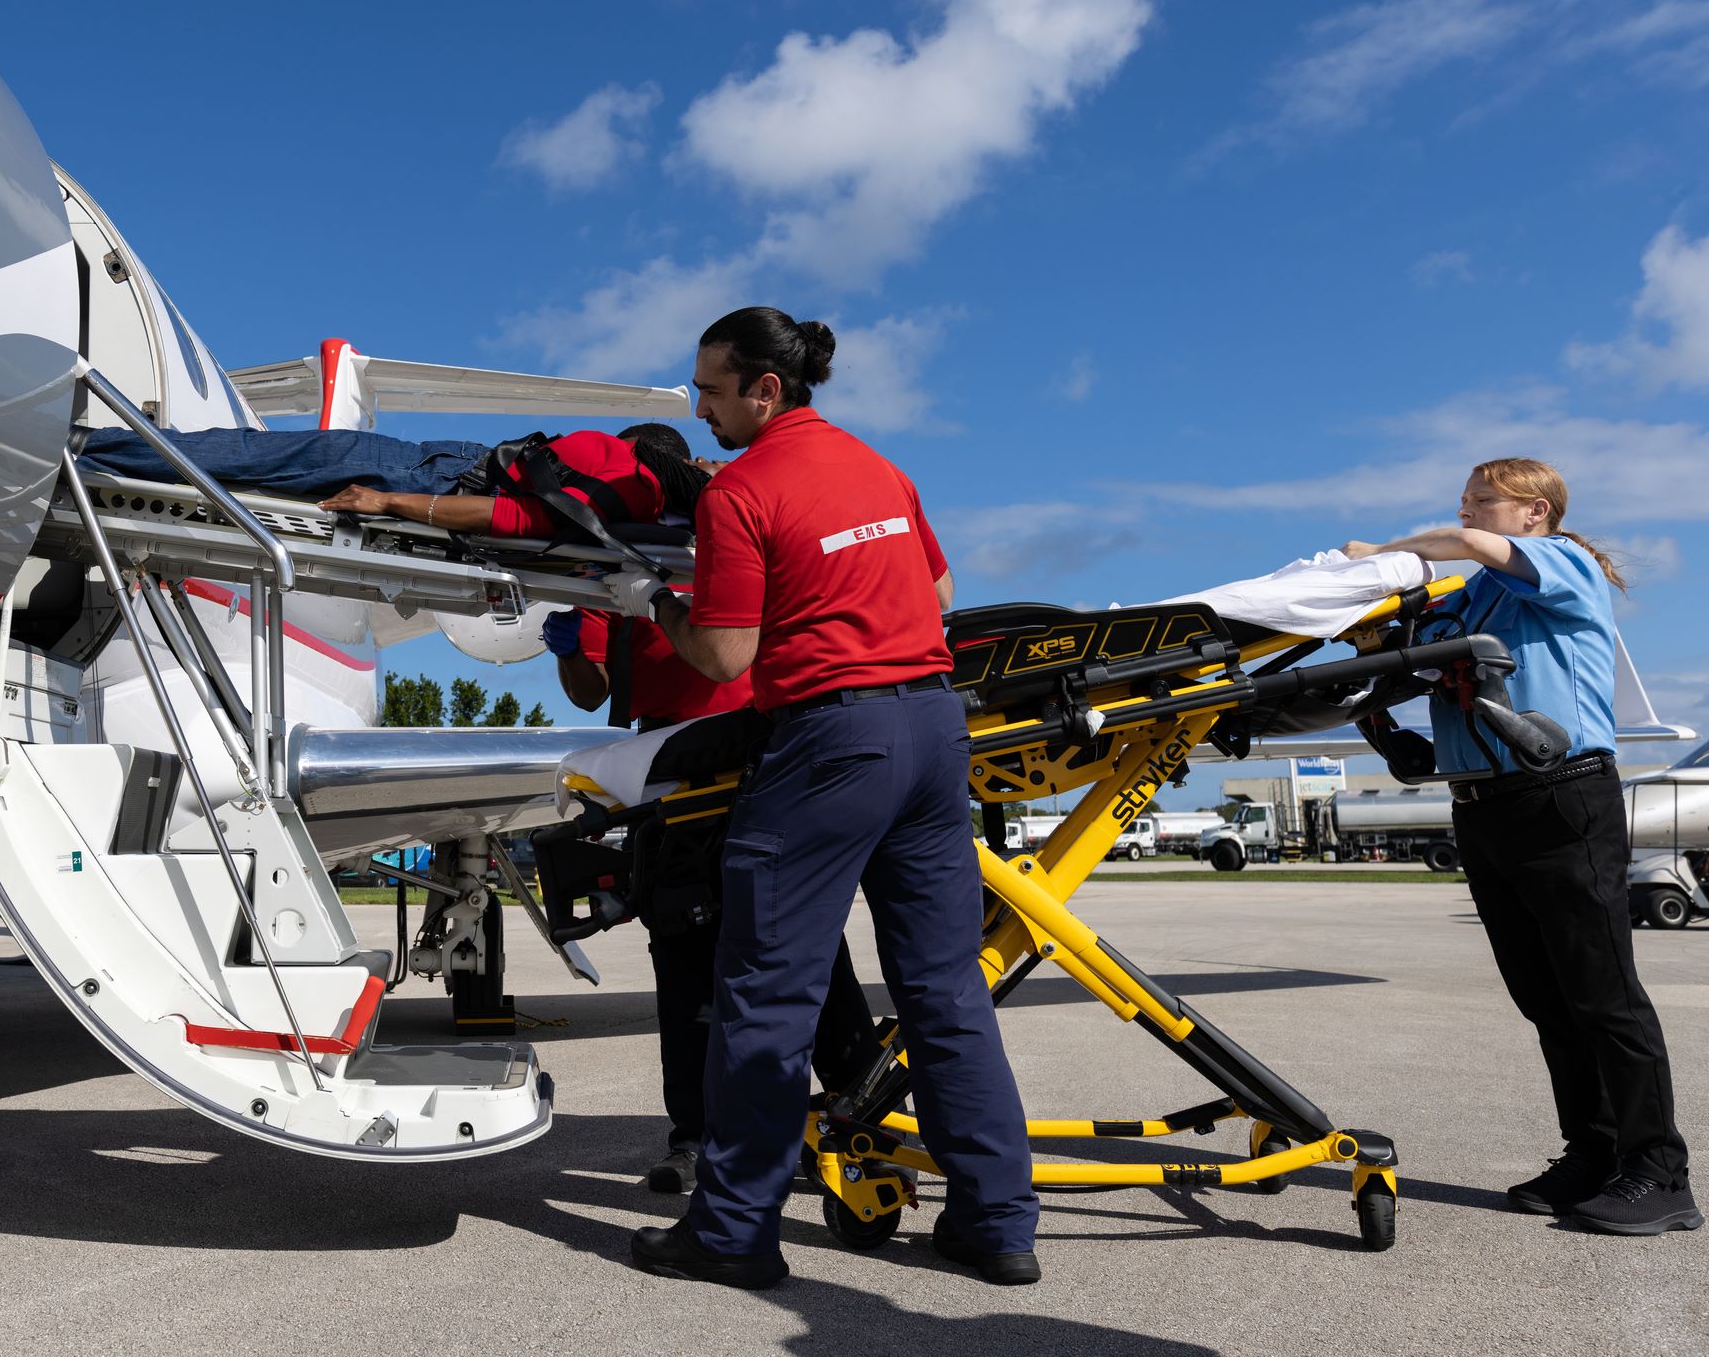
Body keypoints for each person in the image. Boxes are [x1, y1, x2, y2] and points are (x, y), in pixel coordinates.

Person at [603, 307, 1039, 1289]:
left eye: (712, 389)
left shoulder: (741, 490)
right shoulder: (879, 467)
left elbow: (725, 653)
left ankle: (731, 1233)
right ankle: (998, 1225)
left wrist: (657, 607)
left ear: (766, 388)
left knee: (765, 993)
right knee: (944, 990)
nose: (699, 405)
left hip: (832, 740)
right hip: (933, 731)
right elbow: (936, 596)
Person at [1343, 458, 1700, 1236]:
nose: (1466, 511)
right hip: (1484, 804)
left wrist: (1385, 555)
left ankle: (1659, 1171)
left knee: (1603, 994)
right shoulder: (1470, 597)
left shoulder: (1563, 564)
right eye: (1465, 499)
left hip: (1560, 794)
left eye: (1482, 500)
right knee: (1546, 999)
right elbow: (1401, 655)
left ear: (1535, 512)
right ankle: (1594, 1152)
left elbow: (1462, 545)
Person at [544, 424, 880, 1196]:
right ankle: (695, 1136)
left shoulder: (731, 521)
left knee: (808, 951)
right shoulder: (604, 563)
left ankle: (862, 1115)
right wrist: (570, 645)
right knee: (685, 960)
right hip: (666, 771)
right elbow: (592, 690)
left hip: (763, 755)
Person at [74, 424, 708, 539]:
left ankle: (82, 444)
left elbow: (518, 519)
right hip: (443, 469)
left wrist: (389, 500)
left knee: (248, 455)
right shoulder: (642, 494)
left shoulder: (628, 475)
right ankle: (98, 451)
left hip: (430, 475)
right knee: (251, 459)